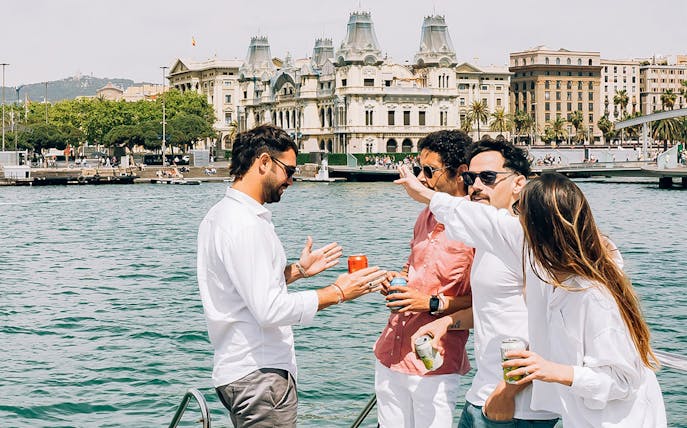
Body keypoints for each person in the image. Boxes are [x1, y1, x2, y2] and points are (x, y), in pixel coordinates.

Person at [197, 124, 386, 428]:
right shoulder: (246, 225)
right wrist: (337, 292)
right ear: (263, 162)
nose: (292, 181)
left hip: (238, 369)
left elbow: (242, 287)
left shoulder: (219, 216)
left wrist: (297, 271)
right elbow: (268, 309)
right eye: (289, 171)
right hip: (260, 376)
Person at [397, 139, 559, 427]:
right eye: (471, 178)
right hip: (483, 395)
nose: (475, 186)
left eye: (488, 178)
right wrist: (445, 323)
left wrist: (508, 392)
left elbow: (551, 326)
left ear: (519, 183)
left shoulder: (527, 238)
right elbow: (494, 307)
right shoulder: (490, 240)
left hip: (517, 408)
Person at [501, 173, 666, 427]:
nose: (516, 219)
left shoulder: (592, 295)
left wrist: (554, 370)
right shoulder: (560, 284)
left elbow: (622, 380)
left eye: (518, 210)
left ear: (538, 228)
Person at [373, 130, 475, 427]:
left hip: (434, 361)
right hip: (391, 350)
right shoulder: (426, 216)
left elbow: (487, 302)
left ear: (460, 173)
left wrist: (428, 302)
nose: (422, 179)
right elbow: (413, 267)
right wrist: (396, 279)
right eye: (419, 170)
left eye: (429, 171)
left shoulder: (476, 227)